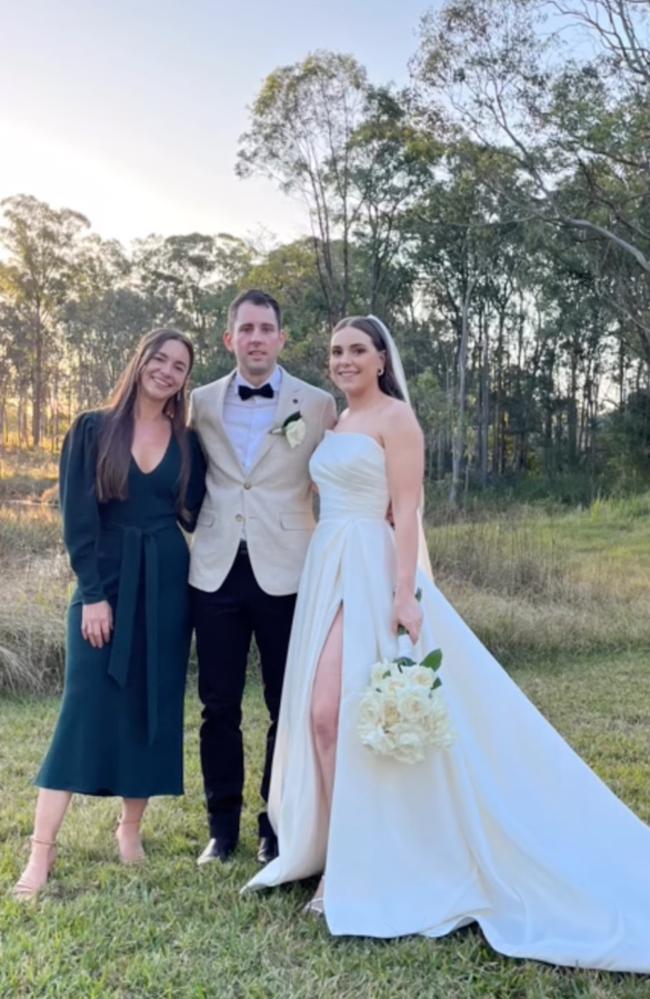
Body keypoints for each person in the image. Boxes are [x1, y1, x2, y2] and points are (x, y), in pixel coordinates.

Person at [246, 315, 650, 974]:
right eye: (336, 351)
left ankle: (354, 867)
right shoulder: (335, 424)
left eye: (357, 350)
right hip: (329, 564)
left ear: (381, 359)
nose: (344, 360)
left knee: (334, 712)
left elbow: (407, 511)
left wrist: (405, 595)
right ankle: (337, 850)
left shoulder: (397, 419)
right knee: (324, 716)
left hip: (372, 573)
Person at [13, 328, 206, 900]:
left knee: (151, 703)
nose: (167, 371)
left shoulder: (188, 440)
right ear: (139, 358)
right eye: (160, 358)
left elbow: (198, 512)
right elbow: (77, 518)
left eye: (179, 366)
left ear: (184, 380)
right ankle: (40, 854)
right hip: (106, 579)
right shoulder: (93, 427)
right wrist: (92, 593)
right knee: (84, 707)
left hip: (168, 584)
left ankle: (130, 831)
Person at [190, 289, 337, 866]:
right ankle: (221, 829)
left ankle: (275, 826)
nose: (255, 338)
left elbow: (353, 461)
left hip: (291, 570)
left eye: (266, 328)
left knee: (286, 703)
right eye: (245, 329)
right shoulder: (199, 401)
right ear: (229, 339)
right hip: (215, 570)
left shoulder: (318, 404)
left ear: (281, 338)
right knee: (217, 705)